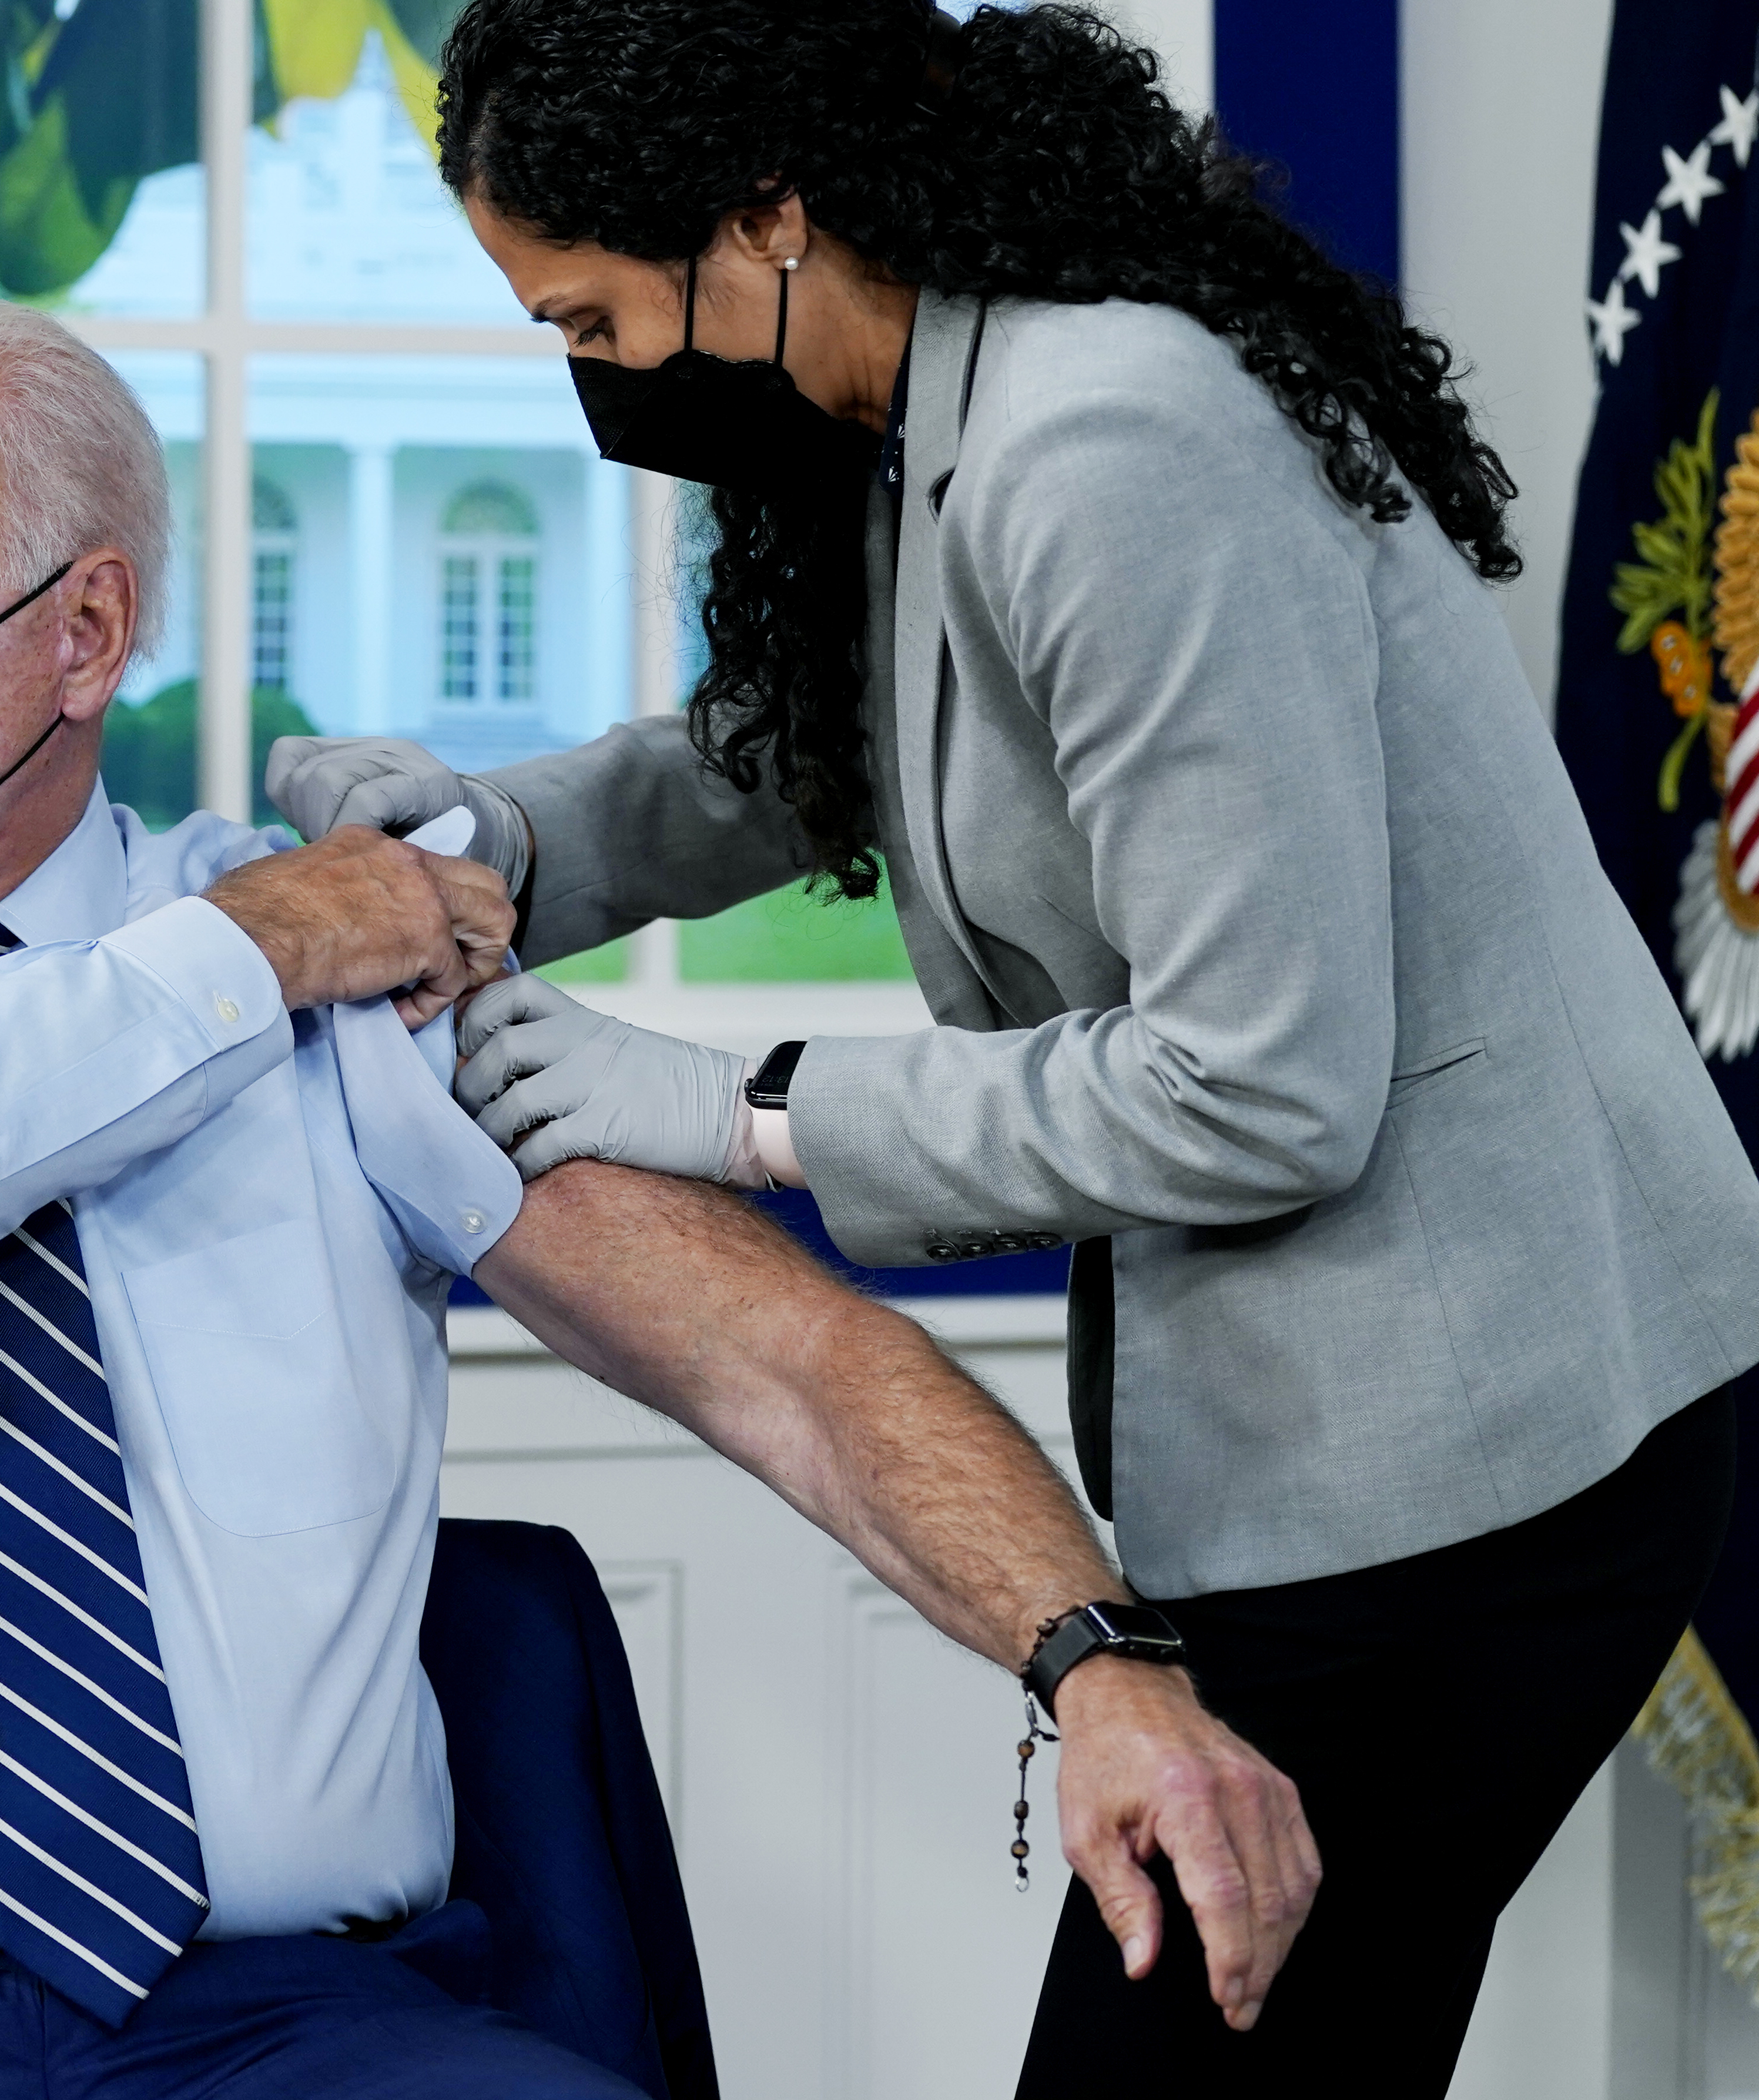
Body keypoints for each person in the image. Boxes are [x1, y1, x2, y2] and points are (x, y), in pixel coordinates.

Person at [0, 290, 1312, 2099]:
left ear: (84, 630)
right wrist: (263, 941)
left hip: (287, 2016)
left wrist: (1099, 1663)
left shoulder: (348, 980)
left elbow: (781, 1364)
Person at [264, 2, 1759, 2091]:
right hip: (1346, 1427)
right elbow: (815, 749)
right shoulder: (935, 394)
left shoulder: (1108, 441)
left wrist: (731, 1108)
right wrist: (491, 838)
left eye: (591, 320)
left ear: (763, 216)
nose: (589, 374)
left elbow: (1256, 1089)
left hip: (1482, 1440)